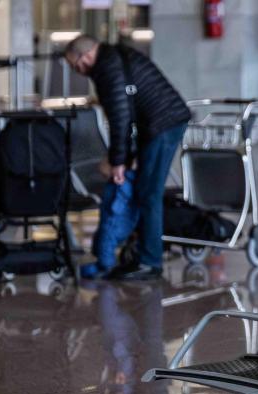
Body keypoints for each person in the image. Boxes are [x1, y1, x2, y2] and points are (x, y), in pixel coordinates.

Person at [65, 35, 191, 280]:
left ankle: (149, 262)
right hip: (159, 123)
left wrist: (118, 161)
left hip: (163, 125)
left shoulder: (106, 69)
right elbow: (129, 111)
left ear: (87, 55)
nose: (77, 71)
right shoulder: (112, 58)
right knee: (144, 190)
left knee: (149, 193)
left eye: (75, 65)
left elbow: (120, 118)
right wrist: (127, 155)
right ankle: (142, 253)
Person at [79, 160, 138, 279]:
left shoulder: (119, 185)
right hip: (119, 219)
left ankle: (106, 266)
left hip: (114, 219)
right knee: (104, 235)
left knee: (107, 237)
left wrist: (106, 265)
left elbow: (109, 228)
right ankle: (104, 262)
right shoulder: (130, 183)